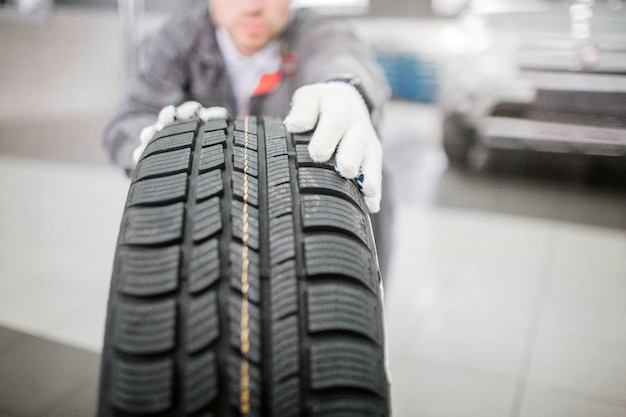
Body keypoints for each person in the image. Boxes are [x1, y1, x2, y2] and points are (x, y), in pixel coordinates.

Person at [102, 0, 393, 272]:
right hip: (207, 217)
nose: (253, 6)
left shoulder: (317, 33)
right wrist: (153, 145)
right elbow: (129, 117)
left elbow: (343, 56)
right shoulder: (180, 37)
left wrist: (347, 89)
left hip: (303, 216)